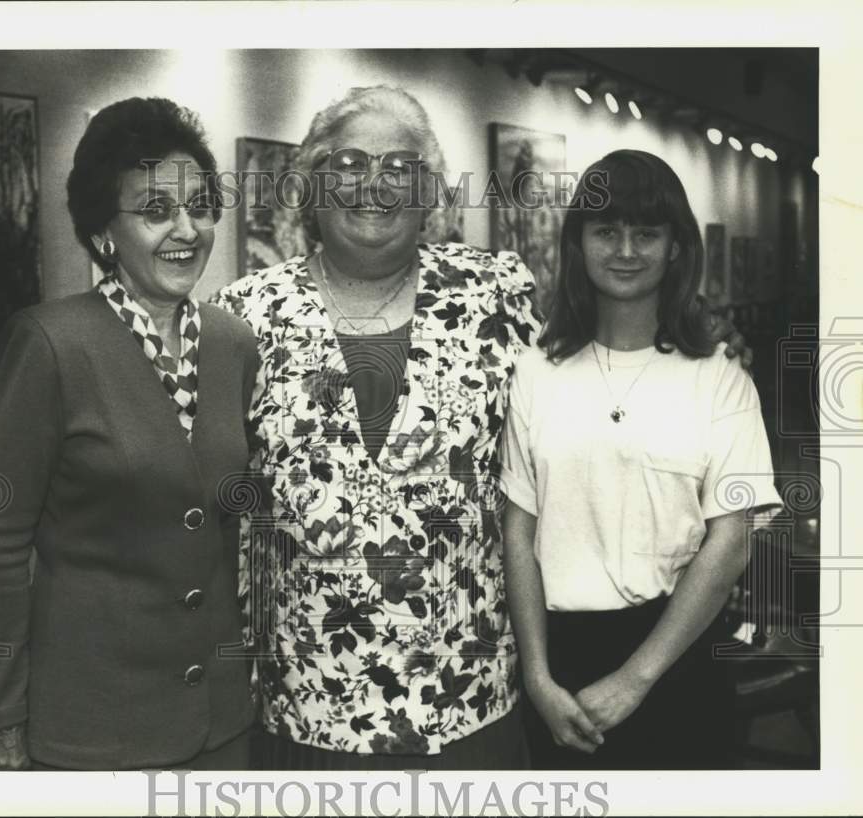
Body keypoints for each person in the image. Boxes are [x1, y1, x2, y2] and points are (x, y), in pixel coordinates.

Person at [214, 88, 750, 769]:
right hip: (308, 706)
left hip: (473, 703)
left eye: (400, 167)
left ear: (429, 189)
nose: (374, 185)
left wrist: (696, 341)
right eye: (348, 162)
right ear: (312, 181)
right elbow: (211, 505)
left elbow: (595, 378)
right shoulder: (243, 316)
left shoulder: (495, 294)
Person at [0, 97, 258, 770]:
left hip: (220, 725)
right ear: (105, 230)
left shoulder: (233, 343)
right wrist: (1, 716)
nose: (186, 229)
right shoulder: (50, 343)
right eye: (156, 211)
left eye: (200, 205)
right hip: (94, 729)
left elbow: (221, 533)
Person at [500, 149, 782, 769]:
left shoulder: (719, 374)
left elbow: (731, 540)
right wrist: (538, 678)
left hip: (677, 658)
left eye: (646, 232)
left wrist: (635, 678)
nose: (625, 249)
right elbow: (518, 534)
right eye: (606, 230)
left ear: (675, 247)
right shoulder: (534, 372)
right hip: (558, 669)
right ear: (578, 243)